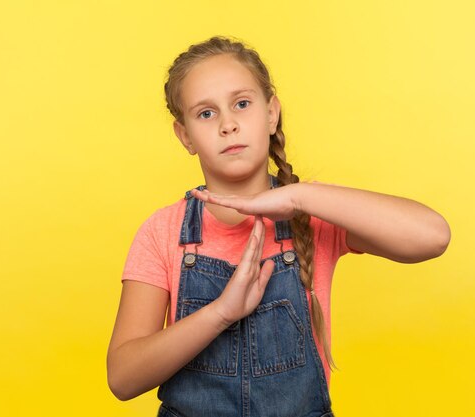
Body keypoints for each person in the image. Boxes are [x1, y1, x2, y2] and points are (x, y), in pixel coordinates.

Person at [107, 35, 451, 417]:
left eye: (241, 104)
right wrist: (220, 313)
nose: (228, 125)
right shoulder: (163, 231)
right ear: (185, 135)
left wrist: (297, 198)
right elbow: (123, 378)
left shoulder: (313, 213)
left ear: (271, 113)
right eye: (206, 113)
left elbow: (433, 237)